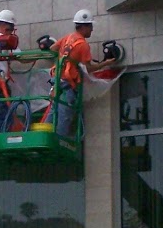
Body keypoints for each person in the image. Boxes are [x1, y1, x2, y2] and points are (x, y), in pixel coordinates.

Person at [48, 9, 115, 137]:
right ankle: (59, 140)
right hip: (68, 83)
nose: (92, 30)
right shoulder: (83, 45)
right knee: (65, 114)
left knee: (54, 110)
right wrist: (106, 63)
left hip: (57, 79)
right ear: (84, 27)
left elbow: (52, 49)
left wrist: (64, 57)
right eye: (90, 26)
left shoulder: (68, 37)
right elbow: (89, 68)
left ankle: (44, 135)